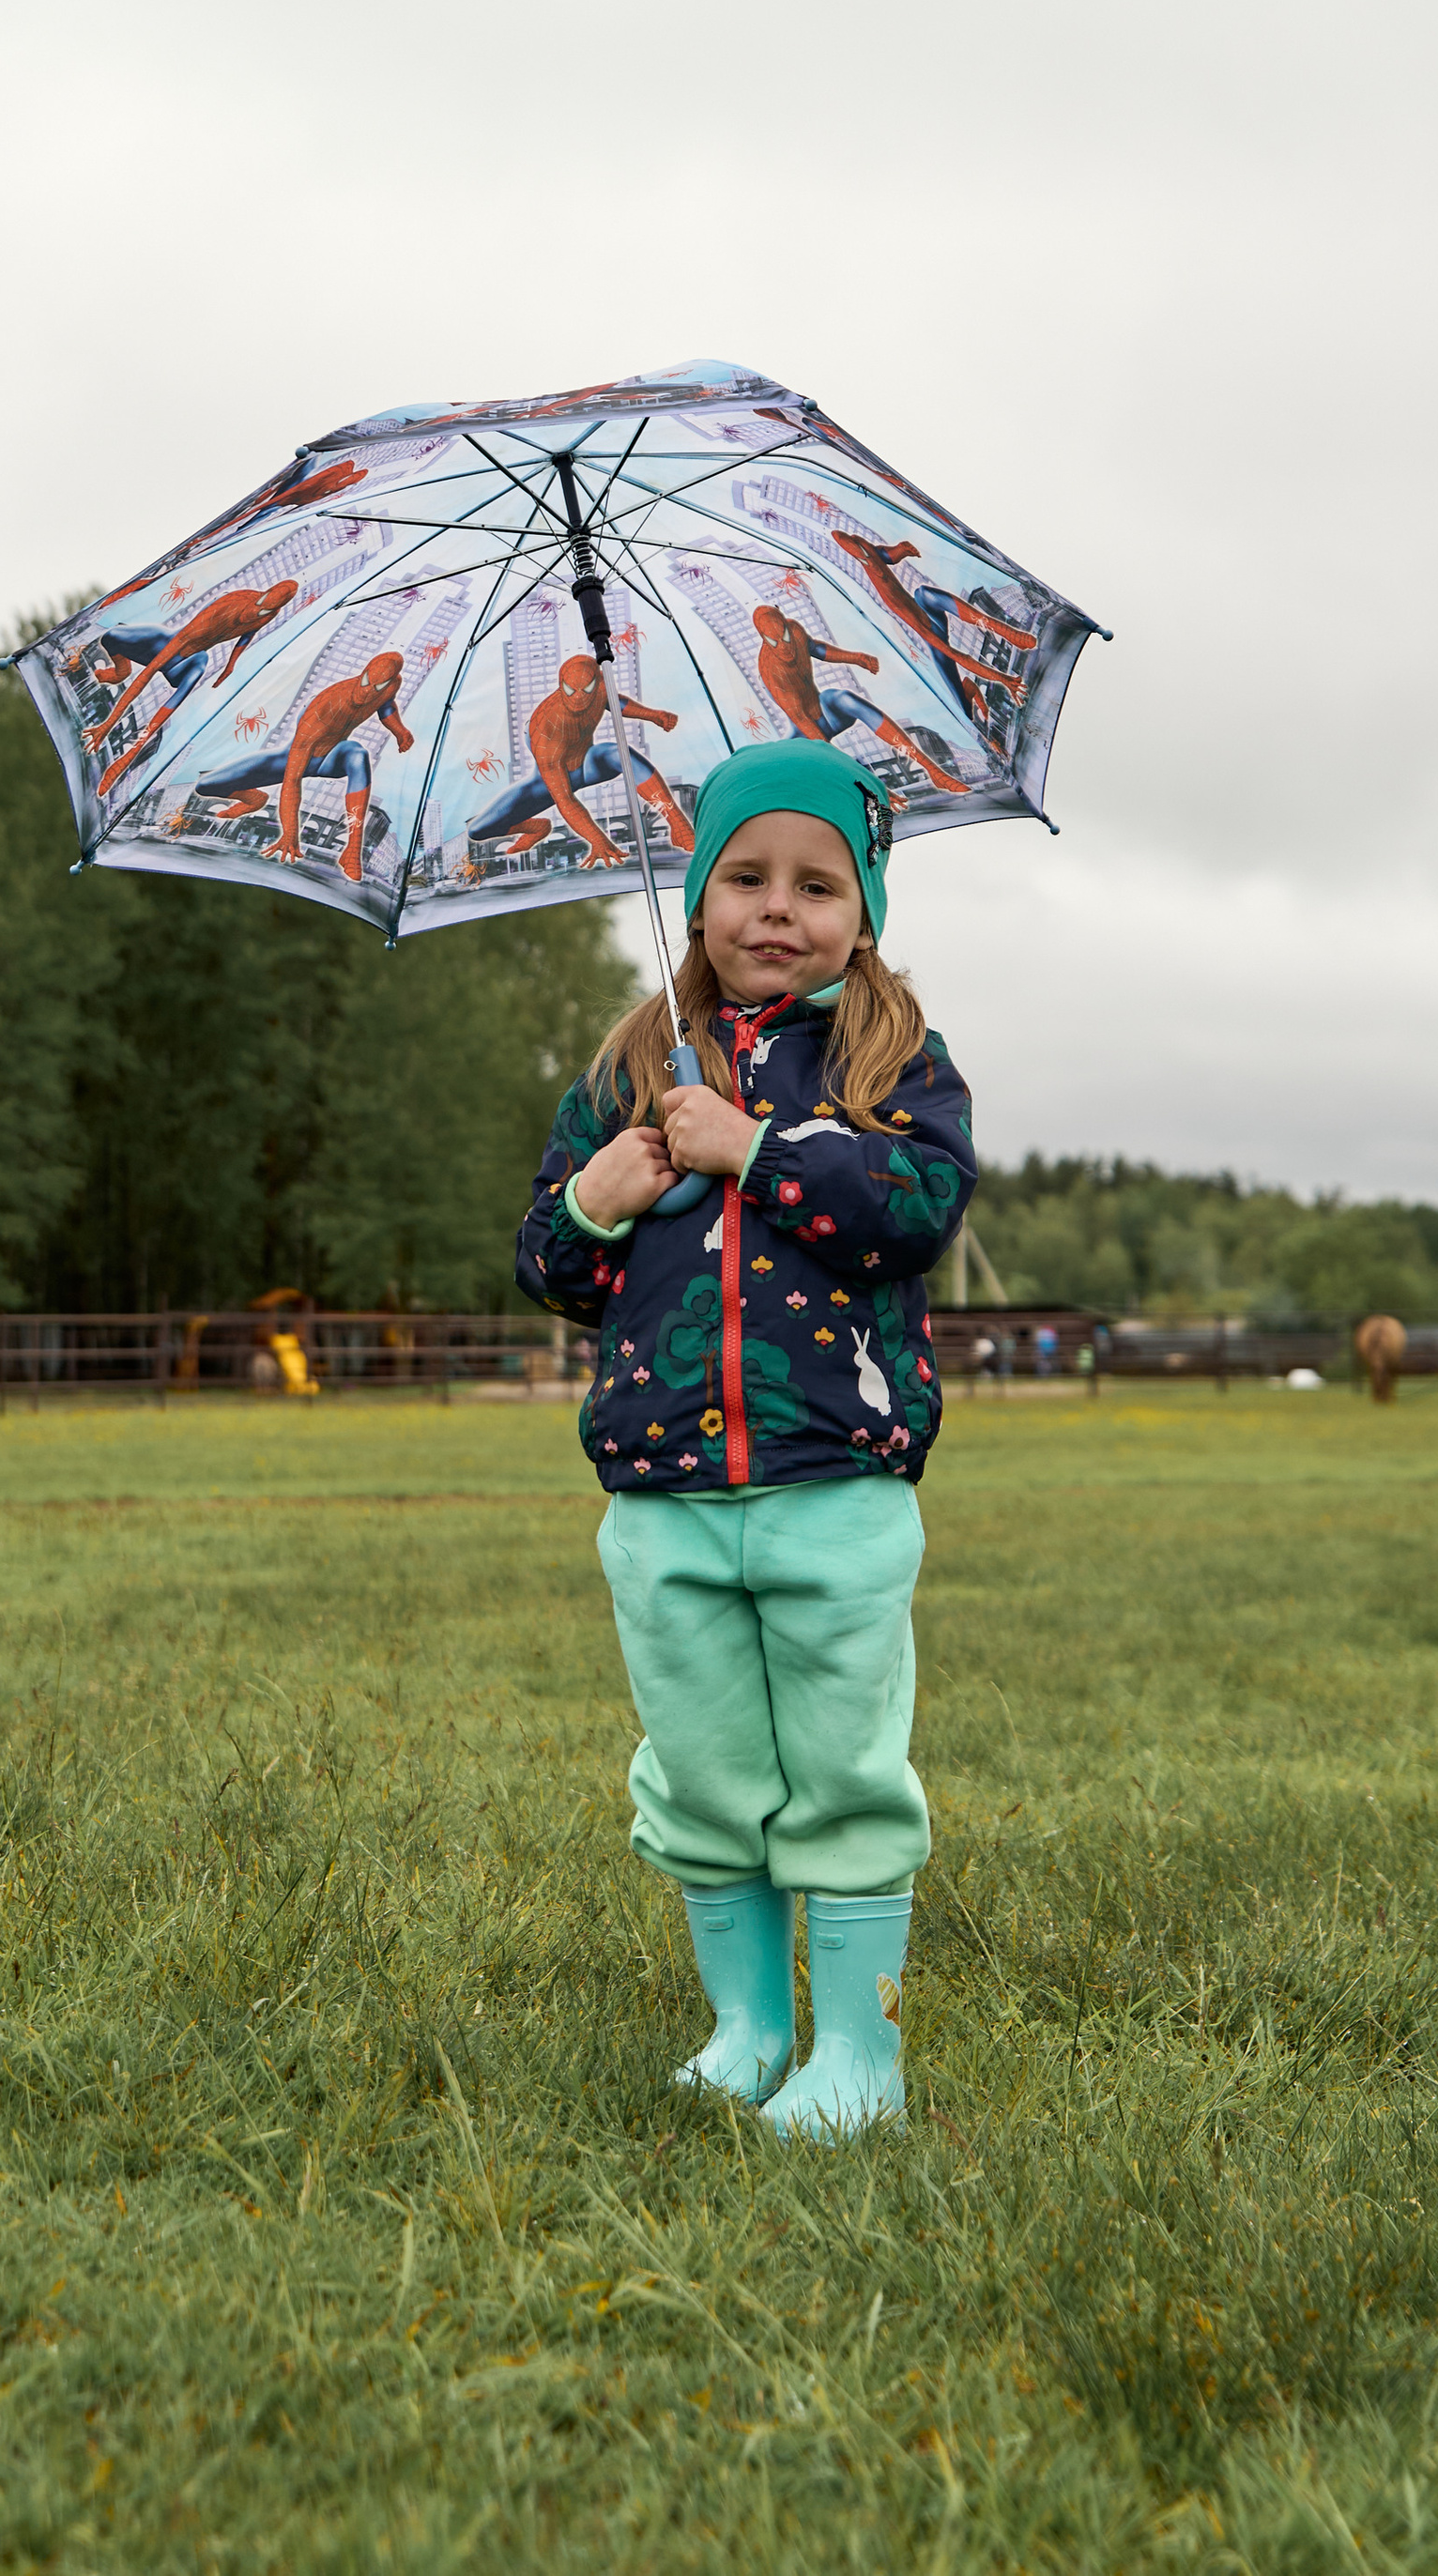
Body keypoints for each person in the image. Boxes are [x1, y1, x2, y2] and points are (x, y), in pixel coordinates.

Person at [515, 743, 973, 2142]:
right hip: (662, 1491)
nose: (780, 908)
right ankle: (748, 2022)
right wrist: (599, 1195)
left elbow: (917, 1205)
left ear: (868, 905)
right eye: (747, 875)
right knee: (704, 1765)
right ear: (699, 890)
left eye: (819, 882)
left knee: (838, 1765)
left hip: (834, 1480)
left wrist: (756, 1146)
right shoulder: (634, 1066)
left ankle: (858, 2054)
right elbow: (551, 1263)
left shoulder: (895, 1060)